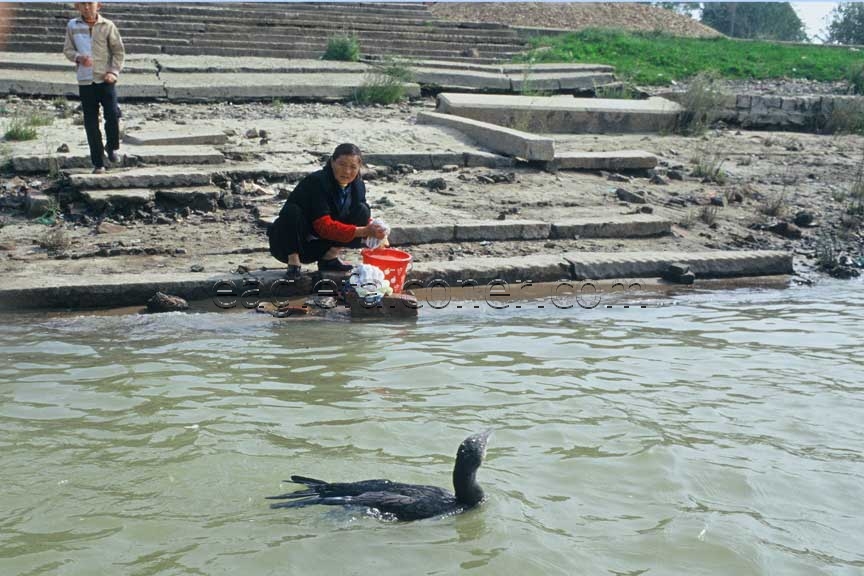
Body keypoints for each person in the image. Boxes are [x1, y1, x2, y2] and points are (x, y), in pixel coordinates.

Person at [268, 143, 387, 279]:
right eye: (342, 164)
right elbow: (323, 225)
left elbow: (360, 219)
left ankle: (329, 258)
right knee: (292, 210)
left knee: (363, 210)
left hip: (320, 245)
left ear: (359, 168)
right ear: (332, 162)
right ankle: (294, 263)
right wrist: (365, 231)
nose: (347, 171)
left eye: (353, 167)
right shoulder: (317, 182)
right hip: (290, 243)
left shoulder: (358, 185)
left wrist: (376, 229)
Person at [63, 2, 125, 174]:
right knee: (91, 123)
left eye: (90, 3)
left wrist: (113, 72)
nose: (87, 7)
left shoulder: (108, 25)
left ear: (99, 6)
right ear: (77, 6)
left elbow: (118, 51)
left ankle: (112, 146)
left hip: (105, 79)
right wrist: (78, 58)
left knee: (112, 114)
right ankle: (98, 163)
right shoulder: (72, 26)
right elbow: (67, 50)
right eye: (82, 4)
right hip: (85, 81)